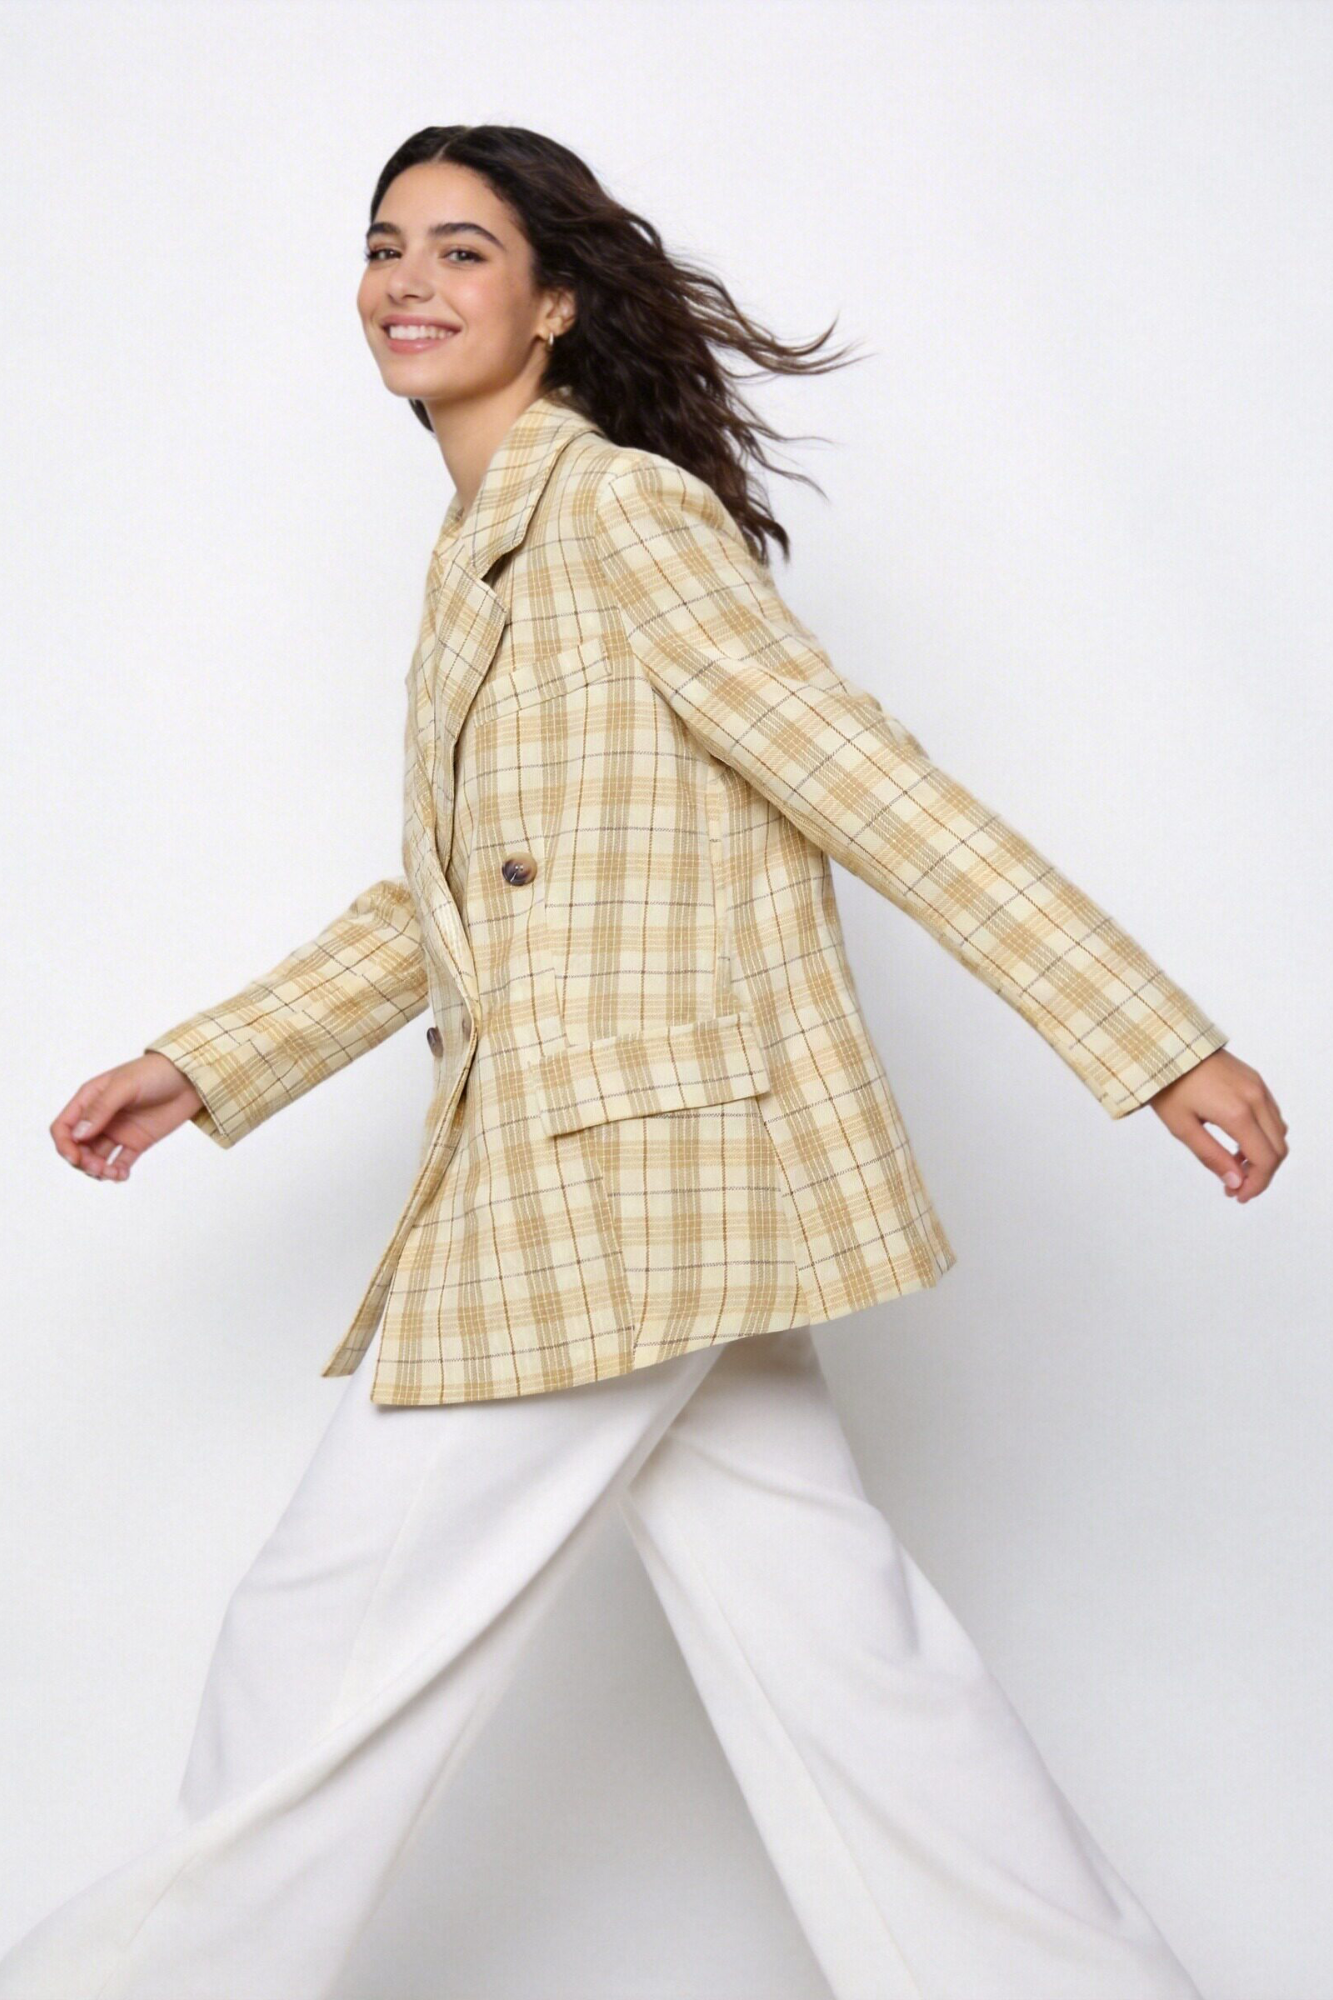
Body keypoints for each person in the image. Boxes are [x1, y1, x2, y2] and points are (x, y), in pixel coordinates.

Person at [16, 125, 1283, 2000]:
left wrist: (1155, 1039)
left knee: (321, 1648)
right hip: (660, 1186)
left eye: (464, 249)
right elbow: (456, 901)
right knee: (852, 1672)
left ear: (554, 304)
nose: (409, 281)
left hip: (625, 1177)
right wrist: (205, 1064)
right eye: (386, 244)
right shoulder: (484, 551)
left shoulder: (616, 514)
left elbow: (868, 779)